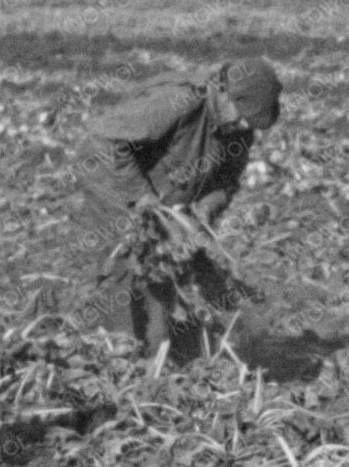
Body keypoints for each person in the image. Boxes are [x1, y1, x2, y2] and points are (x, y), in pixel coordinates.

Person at [83, 57, 282, 355]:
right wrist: (141, 196)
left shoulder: (239, 125)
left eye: (250, 122)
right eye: (242, 117)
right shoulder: (180, 101)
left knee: (177, 266)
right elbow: (106, 140)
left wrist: (207, 205)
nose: (245, 126)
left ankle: (171, 351)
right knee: (127, 263)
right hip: (113, 177)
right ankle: (119, 354)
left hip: (167, 198)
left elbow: (228, 179)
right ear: (225, 92)